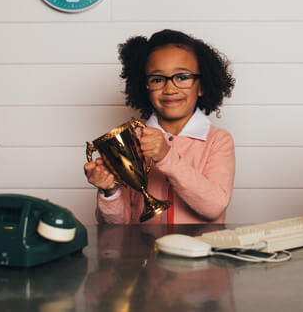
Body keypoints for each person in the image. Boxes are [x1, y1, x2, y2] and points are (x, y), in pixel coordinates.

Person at [84, 29, 236, 224]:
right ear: (144, 86)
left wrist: (166, 157)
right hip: (144, 253)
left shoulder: (218, 140)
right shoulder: (132, 141)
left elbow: (214, 206)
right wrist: (110, 192)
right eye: (157, 79)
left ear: (202, 86)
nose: (170, 88)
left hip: (201, 252)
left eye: (182, 77)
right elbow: (118, 227)